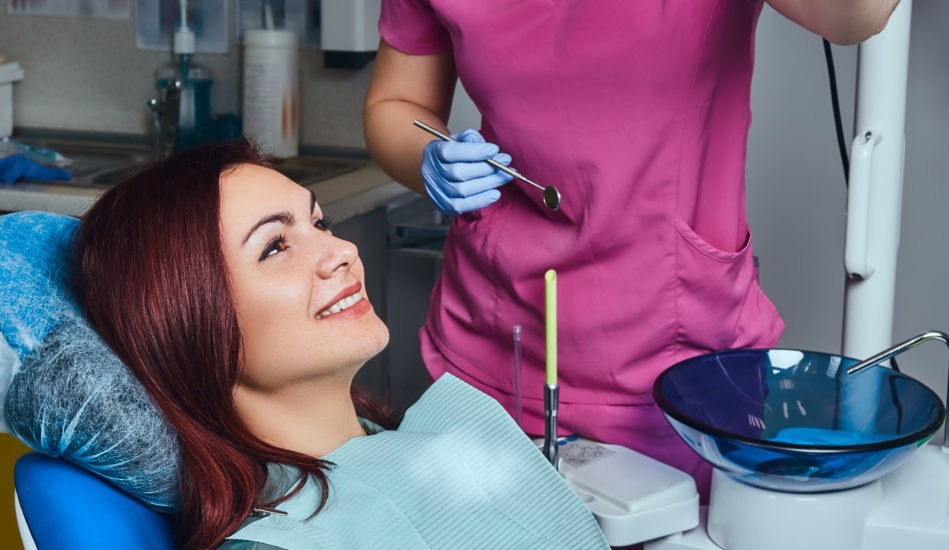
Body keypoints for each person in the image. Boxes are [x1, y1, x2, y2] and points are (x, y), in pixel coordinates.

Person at [362, 0, 902, 492]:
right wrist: (429, 156)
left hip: (675, 354)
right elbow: (396, 101)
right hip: (496, 338)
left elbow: (855, 15)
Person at [75, 140, 608, 549]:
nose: (342, 250)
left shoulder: (430, 446)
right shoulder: (283, 542)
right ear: (187, 323)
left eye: (319, 222)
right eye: (275, 246)